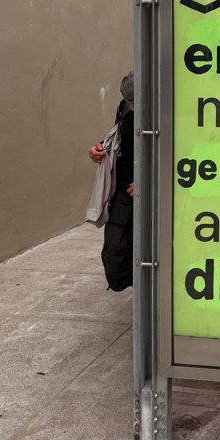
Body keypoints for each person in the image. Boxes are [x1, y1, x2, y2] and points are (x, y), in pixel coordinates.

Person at [88, 71, 134, 291]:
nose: (133, 105)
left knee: (148, 256)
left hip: (152, 198)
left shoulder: (166, 111)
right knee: (116, 260)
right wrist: (98, 149)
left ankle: (149, 309)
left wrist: (152, 180)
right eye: (129, 100)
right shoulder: (124, 108)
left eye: (137, 100)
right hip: (123, 195)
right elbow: (120, 139)